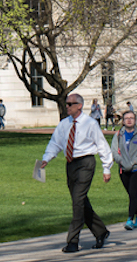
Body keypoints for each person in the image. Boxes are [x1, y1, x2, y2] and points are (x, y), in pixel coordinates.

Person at [39, 93, 113, 253]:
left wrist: (106, 168)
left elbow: (102, 145)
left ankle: (73, 240)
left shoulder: (90, 123)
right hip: (71, 164)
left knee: (77, 201)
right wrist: (46, 158)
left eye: (71, 104)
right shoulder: (64, 124)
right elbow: (55, 143)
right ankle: (101, 231)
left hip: (86, 162)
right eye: (66, 104)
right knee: (80, 201)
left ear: (79, 105)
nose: (67, 106)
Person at [112, 110, 137, 230]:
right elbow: (114, 152)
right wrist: (121, 161)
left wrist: (134, 162)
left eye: (131, 118)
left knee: (133, 193)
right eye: (126, 118)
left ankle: (130, 219)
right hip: (123, 169)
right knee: (132, 194)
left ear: (135, 120)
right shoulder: (118, 135)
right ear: (123, 120)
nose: (129, 120)